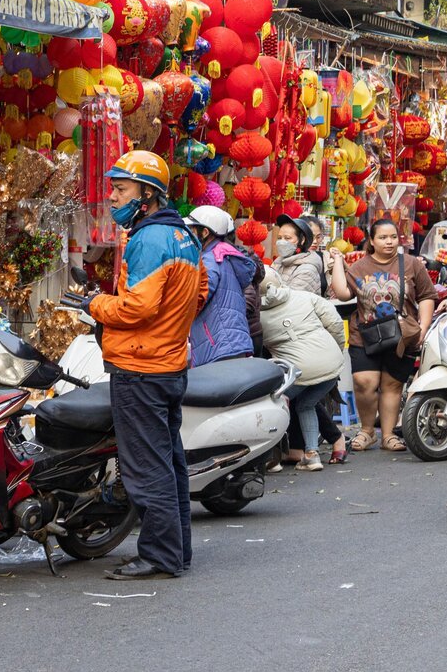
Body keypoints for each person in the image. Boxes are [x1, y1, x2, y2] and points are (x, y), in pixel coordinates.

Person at [84, 151, 203, 580]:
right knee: (169, 464)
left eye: (121, 189)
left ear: (147, 195)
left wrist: (94, 304)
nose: (113, 197)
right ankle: (177, 550)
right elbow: (198, 293)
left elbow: (137, 308)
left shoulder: (148, 239)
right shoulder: (184, 236)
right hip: (168, 364)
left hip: (141, 368)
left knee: (146, 469)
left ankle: (159, 555)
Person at [330, 217, 435, 453]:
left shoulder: (410, 263)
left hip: (401, 336)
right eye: (383, 237)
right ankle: (367, 431)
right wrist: (338, 261)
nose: (389, 242)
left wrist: (424, 325)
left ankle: (387, 435)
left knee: (392, 385)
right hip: (365, 334)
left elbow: (427, 295)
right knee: (364, 382)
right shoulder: (359, 266)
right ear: (372, 240)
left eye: (393, 237)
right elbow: (343, 294)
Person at [256, 268, 347, 471]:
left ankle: (271, 457)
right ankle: (312, 455)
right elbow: (335, 323)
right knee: (306, 404)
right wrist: (336, 351)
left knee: (272, 403)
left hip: (299, 373)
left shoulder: (257, 316)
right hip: (331, 363)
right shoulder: (305, 297)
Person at [184, 206, 256, 366]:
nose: (188, 236)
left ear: (205, 232)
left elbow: (195, 299)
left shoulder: (210, 260)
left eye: (192, 230)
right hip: (230, 342)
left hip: (218, 344)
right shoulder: (224, 256)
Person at [271, 217, 325, 297]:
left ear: (302, 240)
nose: (282, 242)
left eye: (287, 238)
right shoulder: (278, 263)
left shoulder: (307, 270)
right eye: (279, 238)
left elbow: (291, 301)